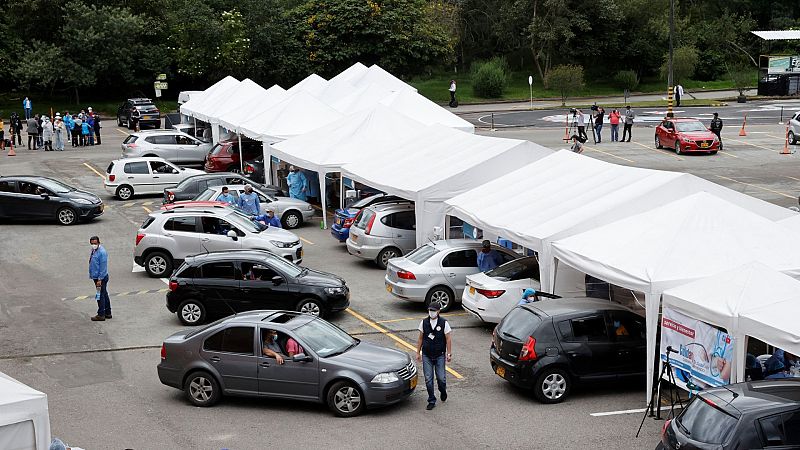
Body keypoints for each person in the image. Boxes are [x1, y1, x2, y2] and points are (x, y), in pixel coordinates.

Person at [416, 301, 452, 410]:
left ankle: (443, 390)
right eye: (430, 310)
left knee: (441, 378)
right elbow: (421, 338)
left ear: (438, 311)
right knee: (428, 379)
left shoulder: (444, 323)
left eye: (434, 310)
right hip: (427, 355)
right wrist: (418, 352)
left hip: (440, 355)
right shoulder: (424, 322)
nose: (431, 312)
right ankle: (431, 399)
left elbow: (448, 338)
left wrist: (449, 353)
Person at [88, 236, 111, 321]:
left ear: (99, 243)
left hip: (100, 278)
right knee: (104, 294)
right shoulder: (94, 250)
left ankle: (101, 314)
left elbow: (103, 267)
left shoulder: (102, 252)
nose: (93, 245)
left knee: (100, 296)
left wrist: (99, 279)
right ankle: (108, 312)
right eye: (92, 243)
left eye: (95, 243)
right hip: (96, 277)